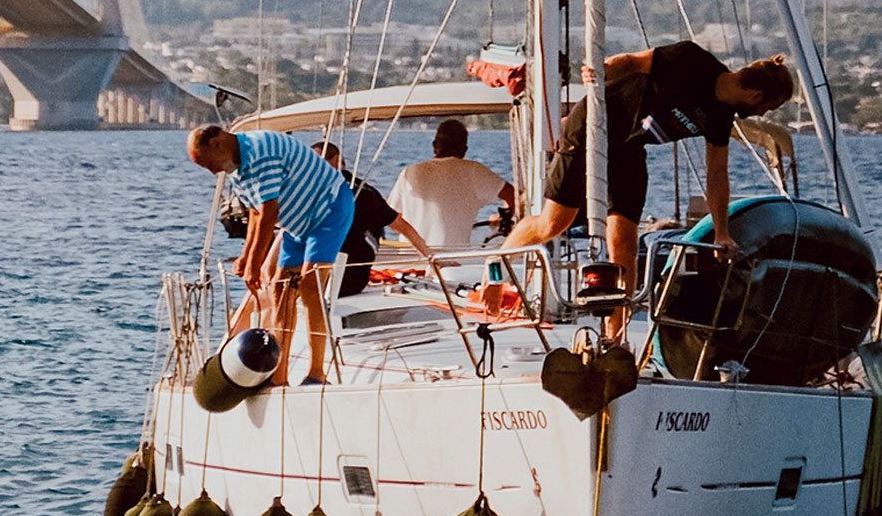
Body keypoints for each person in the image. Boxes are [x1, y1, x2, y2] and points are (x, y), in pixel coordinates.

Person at [497, 44, 796, 340]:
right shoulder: (692, 60)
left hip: (628, 148)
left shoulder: (721, 115)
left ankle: (615, 337)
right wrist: (602, 71)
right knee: (553, 223)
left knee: (624, 242)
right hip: (592, 125)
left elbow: (717, 173)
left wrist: (721, 232)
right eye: (767, 108)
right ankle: (495, 271)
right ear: (756, 96)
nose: (761, 113)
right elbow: (632, 60)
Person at [186, 120, 351, 385]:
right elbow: (254, 213)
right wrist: (246, 256)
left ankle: (316, 373)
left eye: (208, 164)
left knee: (310, 287)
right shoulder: (236, 170)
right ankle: (279, 376)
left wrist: (255, 265)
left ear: (216, 143)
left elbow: (269, 212)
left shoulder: (260, 152)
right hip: (296, 223)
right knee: (280, 290)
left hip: (329, 208)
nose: (213, 171)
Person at [314, 140, 428, 298]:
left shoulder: (359, 194)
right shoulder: (368, 192)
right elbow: (401, 226)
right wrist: (430, 256)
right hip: (352, 279)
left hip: (337, 279)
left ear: (336, 160)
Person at [388, 118, 515, 254]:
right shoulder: (474, 171)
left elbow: (391, 219)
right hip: (453, 261)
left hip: (410, 260)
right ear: (464, 150)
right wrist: (501, 216)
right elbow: (513, 196)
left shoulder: (409, 172)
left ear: (434, 145)